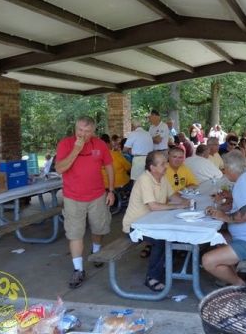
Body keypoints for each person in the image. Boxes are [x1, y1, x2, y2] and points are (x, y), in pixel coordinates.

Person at [55, 116, 115, 289]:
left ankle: (96, 251)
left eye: (87, 131)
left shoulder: (100, 144)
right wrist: (76, 150)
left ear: (93, 131)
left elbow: (109, 166)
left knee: (99, 228)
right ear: (75, 129)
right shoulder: (66, 144)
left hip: (97, 195)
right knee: (75, 233)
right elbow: (60, 169)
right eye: (80, 130)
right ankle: (78, 269)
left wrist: (111, 190)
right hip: (72, 197)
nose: (82, 134)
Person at [202, 150, 246, 286]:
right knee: (218, 239)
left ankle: (241, 287)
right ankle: (232, 277)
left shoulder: (243, 182)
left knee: (207, 260)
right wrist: (225, 206)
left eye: (224, 168)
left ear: (231, 168)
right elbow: (243, 206)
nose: (224, 172)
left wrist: (224, 216)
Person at [122, 151, 190, 292]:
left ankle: (166, 265)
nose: (166, 166)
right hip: (135, 226)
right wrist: (178, 206)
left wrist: (187, 203)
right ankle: (152, 277)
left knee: (171, 234)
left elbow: (172, 195)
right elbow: (153, 206)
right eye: (162, 164)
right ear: (152, 168)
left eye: (165, 163)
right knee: (161, 239)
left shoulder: (162, 178)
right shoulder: (145, 180)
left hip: (153, 222)